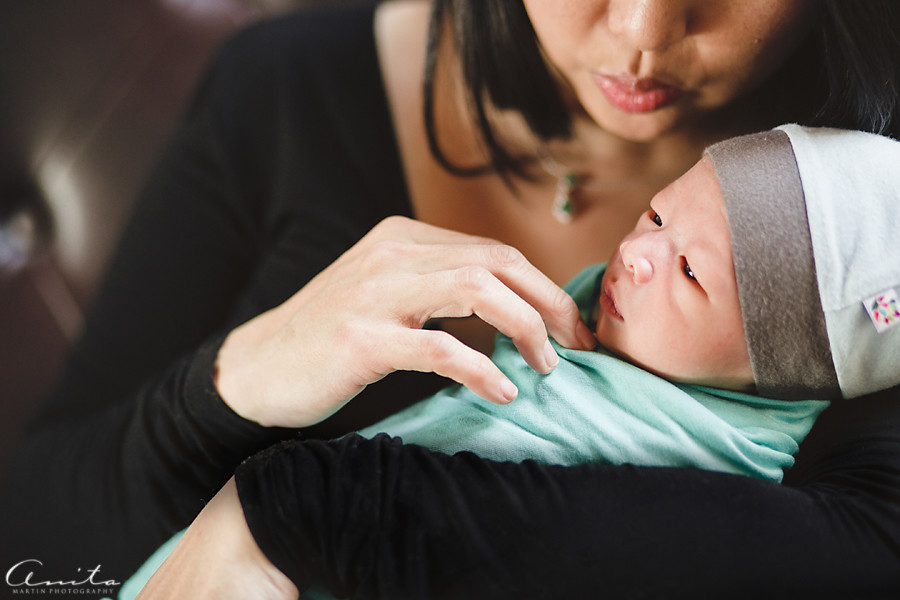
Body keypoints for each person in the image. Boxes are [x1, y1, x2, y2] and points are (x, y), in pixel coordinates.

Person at [2, 1, 900, 599]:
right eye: (656, 219)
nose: (642, 29)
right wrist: (234, 381)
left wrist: (296, 511)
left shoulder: (869, 240)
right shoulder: (293, 89)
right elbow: (29, 551)